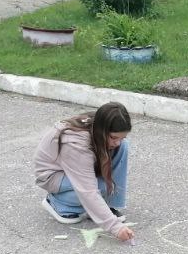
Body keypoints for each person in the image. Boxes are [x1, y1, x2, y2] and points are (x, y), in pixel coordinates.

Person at [33, 102, 134, 242]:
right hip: (53, 176)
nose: (117, 142)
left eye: (121, 137)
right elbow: (87, 190)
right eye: (113, 137)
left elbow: (116, 144)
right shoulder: (76, 144)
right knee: (100, 188)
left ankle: (109, 204)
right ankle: (57, 203)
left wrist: (104, 210)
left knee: (123, 147)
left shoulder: (99, 125)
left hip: (75, 168)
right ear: (101, 130)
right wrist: (115, 227)